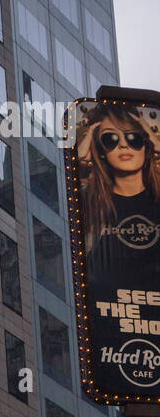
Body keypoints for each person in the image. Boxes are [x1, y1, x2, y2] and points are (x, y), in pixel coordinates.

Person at [76, 101, 160, 396]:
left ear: (147, 145)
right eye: (111, 139)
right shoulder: (89, 202)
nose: (124, 145)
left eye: (134, 138)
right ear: (100, 150)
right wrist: (83, 149)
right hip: (111, 335)